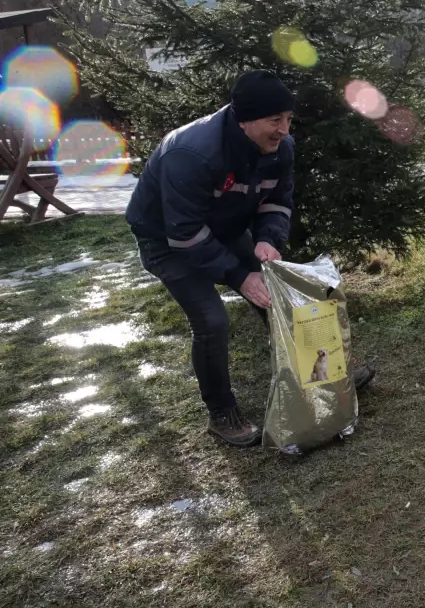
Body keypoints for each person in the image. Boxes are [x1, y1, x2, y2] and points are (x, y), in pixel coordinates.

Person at [126, 70, 374, 447]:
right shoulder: (190, 153)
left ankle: (324, 378)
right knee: (211, 320)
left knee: (282, 297)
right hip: (167, 239)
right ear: (245, 120)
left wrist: (267, 239)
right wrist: (241, 276)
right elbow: (185, 234)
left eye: (289, 119)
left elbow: (278, 201)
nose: (284, 130)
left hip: (224, 229)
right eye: (275, 120)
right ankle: (221, 412)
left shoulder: (281, 148)